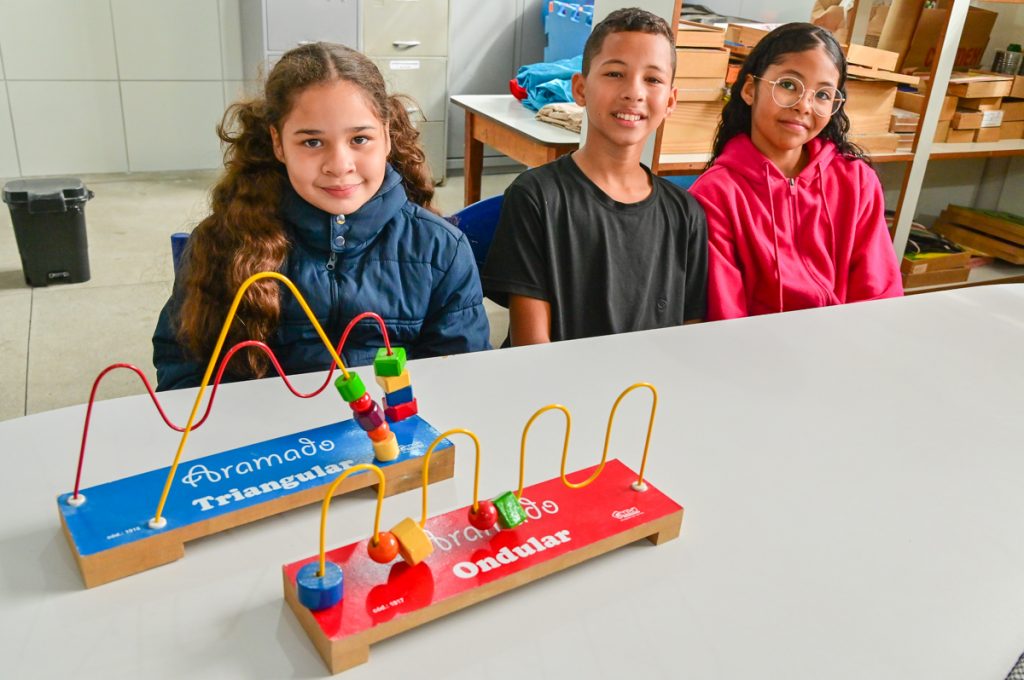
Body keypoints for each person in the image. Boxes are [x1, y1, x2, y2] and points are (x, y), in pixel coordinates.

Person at [153, 42, 489, 390]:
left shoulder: (441, 249)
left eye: (360, 139)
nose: (339, 165)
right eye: (312, 142)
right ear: (278, 143)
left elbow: (458, 379)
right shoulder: (224, 243)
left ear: (387, 136)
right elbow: (183, 369)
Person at [481, 8, 708, 345]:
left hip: (652, 379)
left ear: (671, 101)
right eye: (615, 73)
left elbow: (689, 334)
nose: (634, 92)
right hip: (558, 379)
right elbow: (532, 350)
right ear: (581, 89)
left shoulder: (685, 213)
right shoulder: (536, 196)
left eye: (653, 79)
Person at [690, 22, 902, 320]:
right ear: (750, 89)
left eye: (823, 95)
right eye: (789, 85)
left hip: (844, 341)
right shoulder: (715, 194)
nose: (804, 105)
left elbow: (879, 297)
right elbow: (725, 316)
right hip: (756, 347)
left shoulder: (857, 181)